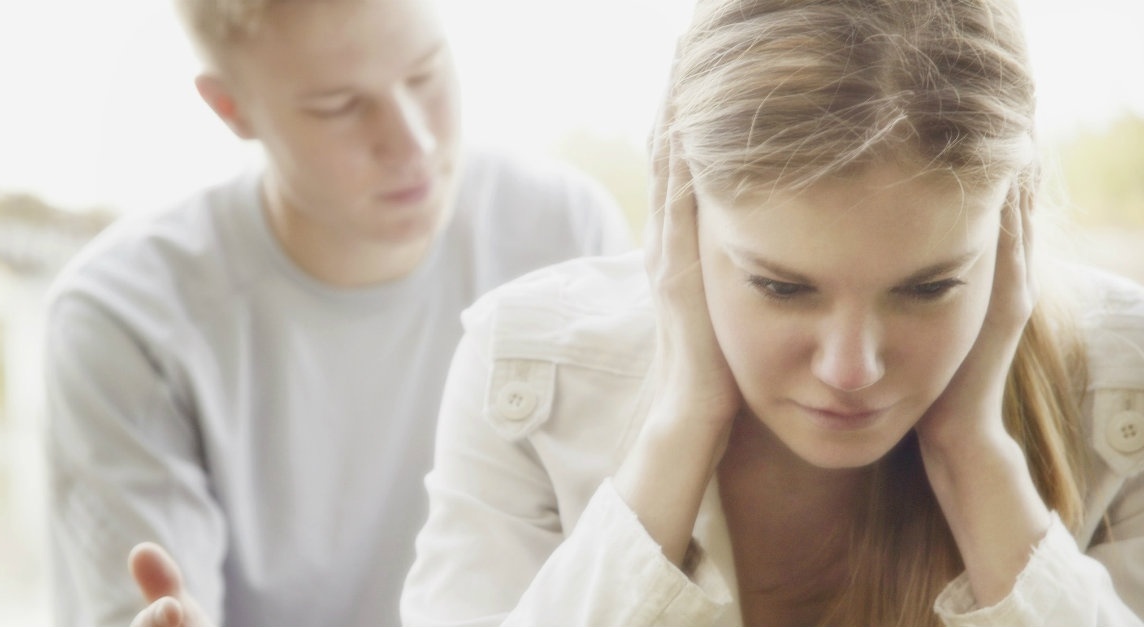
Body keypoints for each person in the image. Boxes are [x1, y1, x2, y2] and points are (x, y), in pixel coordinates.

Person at [398, 0, 1144, 625]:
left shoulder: (1123, 381)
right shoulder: (527, 372)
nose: (851, 369)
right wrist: (683, 422)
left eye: (929, 287)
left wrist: (975, 453)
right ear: (678, 209)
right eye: (782, 288)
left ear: (1012, 220)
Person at [42, 0, 631, 624]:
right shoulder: (122, 320)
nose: (413, 142)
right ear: (231, 109)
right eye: (340, 106)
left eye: (425, 74)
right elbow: (156, 603)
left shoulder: (566, 235)